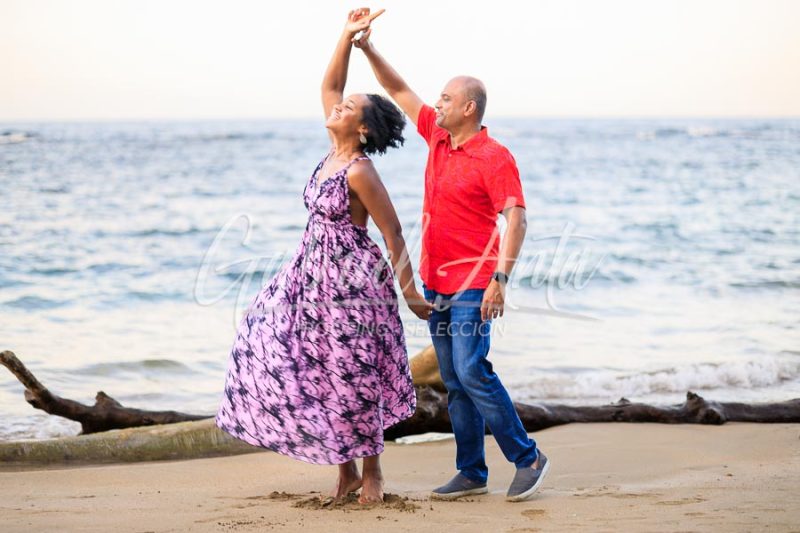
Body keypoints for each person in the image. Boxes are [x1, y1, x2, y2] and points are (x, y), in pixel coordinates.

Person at [214, 8, 433, 505]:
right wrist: (346, 35)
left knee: (354, 371)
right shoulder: (332, 151)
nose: (337, 107)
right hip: (308, 278)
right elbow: (329, 86)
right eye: (341, 104)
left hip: (353, 282)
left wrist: (410, 292)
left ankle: (372, 471)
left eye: (349, 107)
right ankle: (345, 470)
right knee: (310, 364)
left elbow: (393, 230)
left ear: (363, 129)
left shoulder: (358, 170)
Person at [352, 12, 551, 502]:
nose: (435, 104)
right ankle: (472, 472)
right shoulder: (438, 138)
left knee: (471, 370)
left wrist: (500, 280)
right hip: (436, 280)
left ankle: (528, 458)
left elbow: (516, 219)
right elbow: (398, 90)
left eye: (444, 98)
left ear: (467, 107)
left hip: (474, 283)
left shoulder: (495, 156)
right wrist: (367, 48)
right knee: (455, 381)